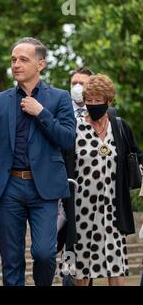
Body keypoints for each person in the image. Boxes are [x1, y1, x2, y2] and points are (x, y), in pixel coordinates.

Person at [0, 37, 76, 286]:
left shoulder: (59, 98)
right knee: (12, 259)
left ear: (40, 64)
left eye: (23, 59)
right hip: (8, 188)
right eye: (13, 60)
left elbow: (67, 139)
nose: (16, 64)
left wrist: (41, 112)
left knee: (43, 253)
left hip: (45, 189)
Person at [62, 74, 143, 286]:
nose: (93, 104)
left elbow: (136, 156)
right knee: (81, 269)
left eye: (98, 100)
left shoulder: (119, 126)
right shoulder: (75, 128)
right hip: (82, 209)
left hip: (112, 209)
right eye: (89, 100)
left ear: (108, 101)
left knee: (115, 266)